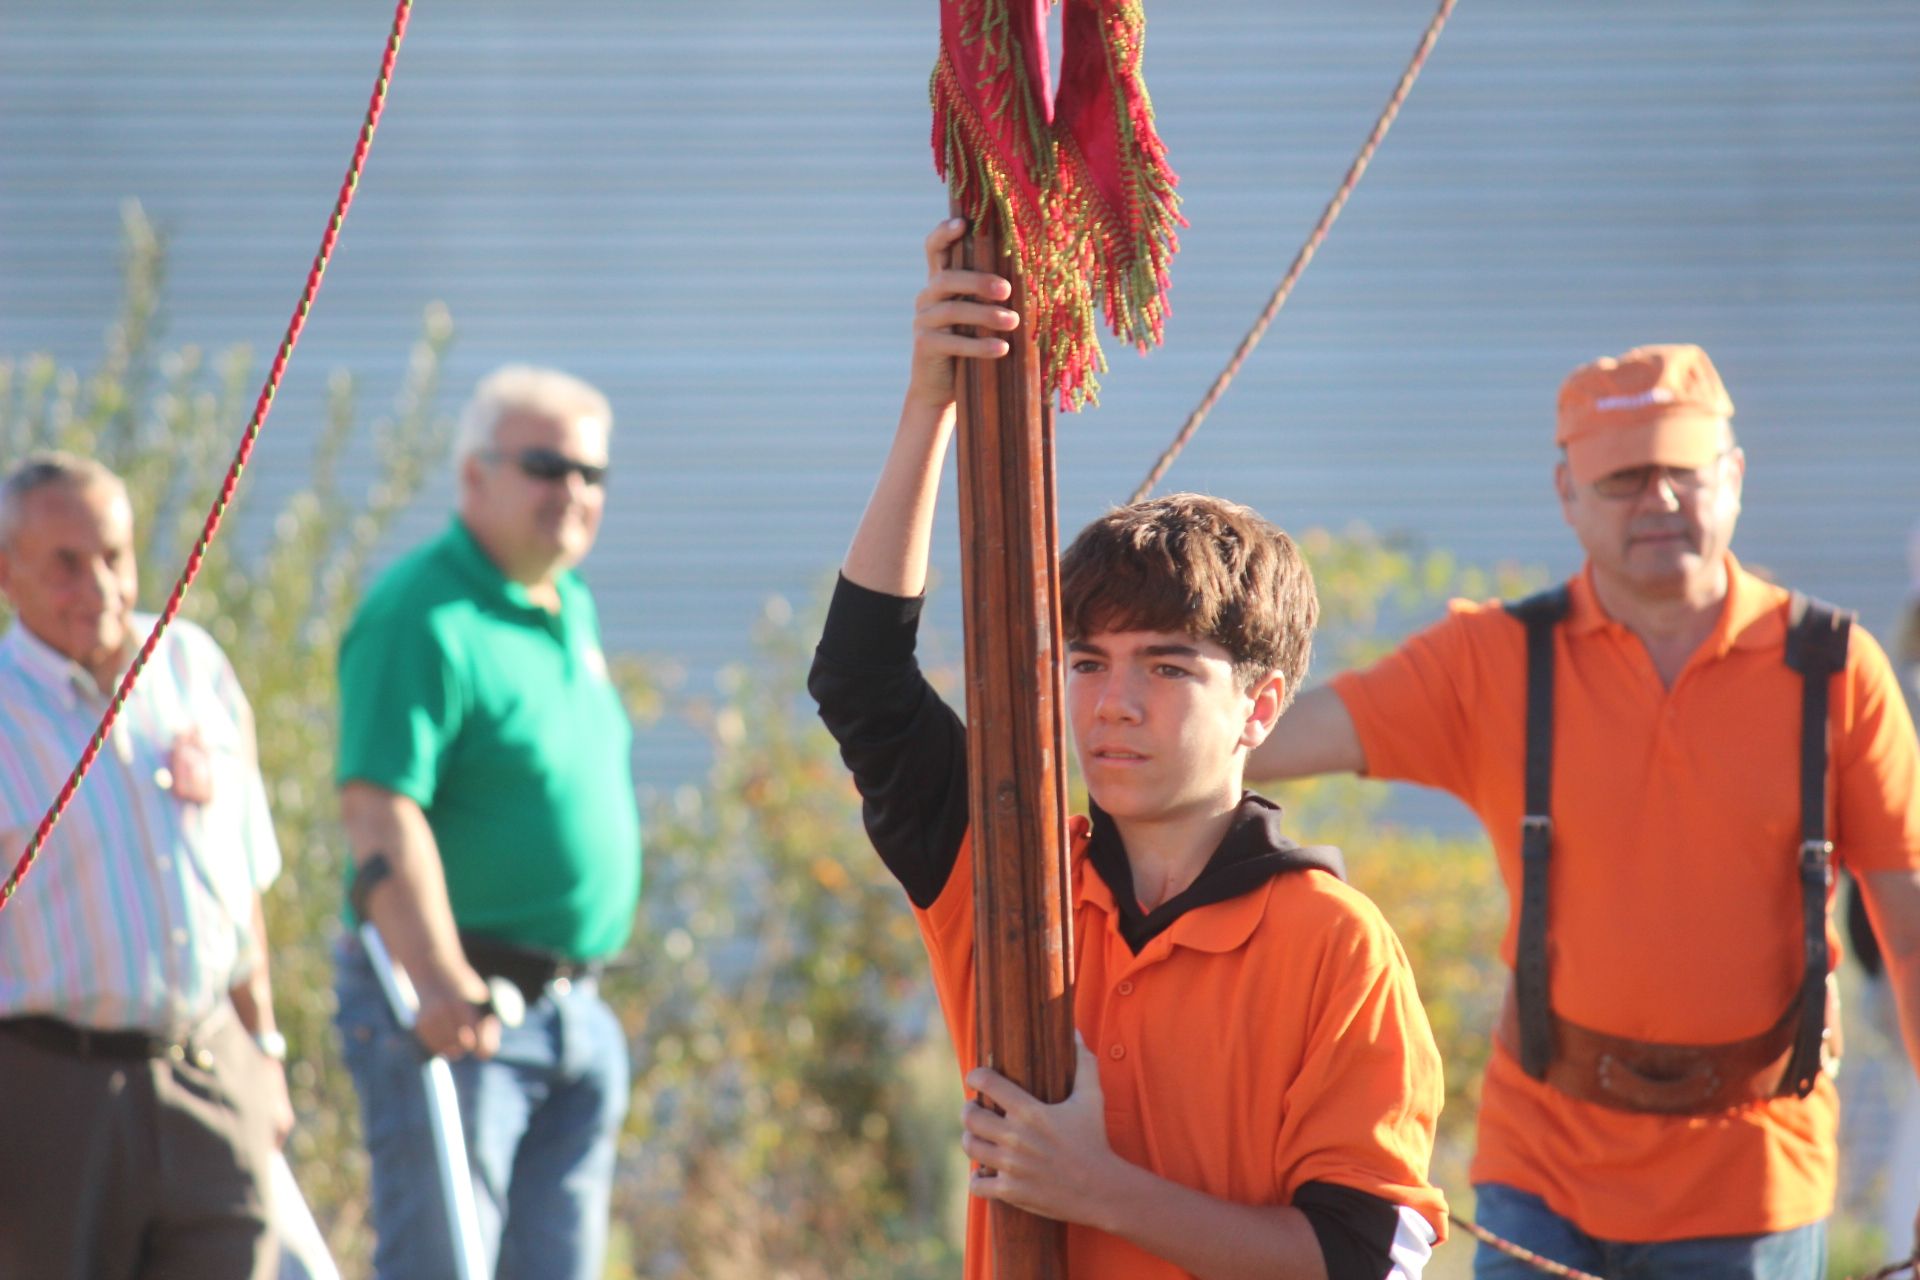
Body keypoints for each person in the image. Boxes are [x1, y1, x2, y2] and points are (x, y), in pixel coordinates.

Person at [808, 219, 1448, 1279]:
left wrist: (1099, 1190)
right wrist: (931, 402)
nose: (1113, 702)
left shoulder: (1335, 943)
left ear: (1261, 703)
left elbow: (1364, 1261)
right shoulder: (1005, 865)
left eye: (1167, 667)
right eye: (1088, 661)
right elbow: (860, 679)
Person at [1248, 343, 1920, 1278]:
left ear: (1732, 476)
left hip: (1754, 1186)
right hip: (1543, 1183)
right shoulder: (1494, 663)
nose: (1660, 500)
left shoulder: (1837, 674)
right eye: (1624, 478)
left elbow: (1912, 938)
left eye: (1683, 472)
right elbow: (1251, 737)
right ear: (1567, 493)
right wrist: (1122, 688)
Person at [333, 365, 641, 1280]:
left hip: (573, 1011)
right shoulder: (423, 613)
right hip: (459, 1012)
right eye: (547, 466)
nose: (572, 492)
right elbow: (378, 806)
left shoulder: (565, 603)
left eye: (592, 474)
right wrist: (436, 980)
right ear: (474, 475)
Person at [0, 452, 292, 1280]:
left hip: (210, 1066)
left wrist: (264, 1050)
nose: (97, 584)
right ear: (6, 572)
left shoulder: (192, 668)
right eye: (65, 563)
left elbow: (242, 885)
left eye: (114, 556)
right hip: (49, 1094)